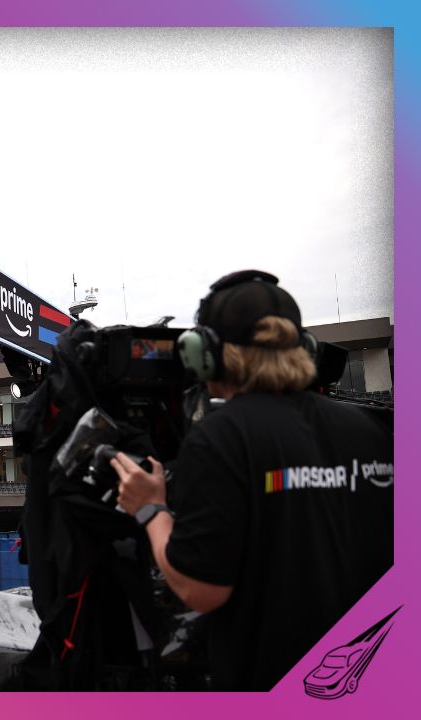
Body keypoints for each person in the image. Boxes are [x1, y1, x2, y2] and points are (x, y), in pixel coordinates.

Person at [110, 270, 393, 691]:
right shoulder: (376, 428)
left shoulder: (222, 438)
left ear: (204, 354)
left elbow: (202, 590)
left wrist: (150, 507)